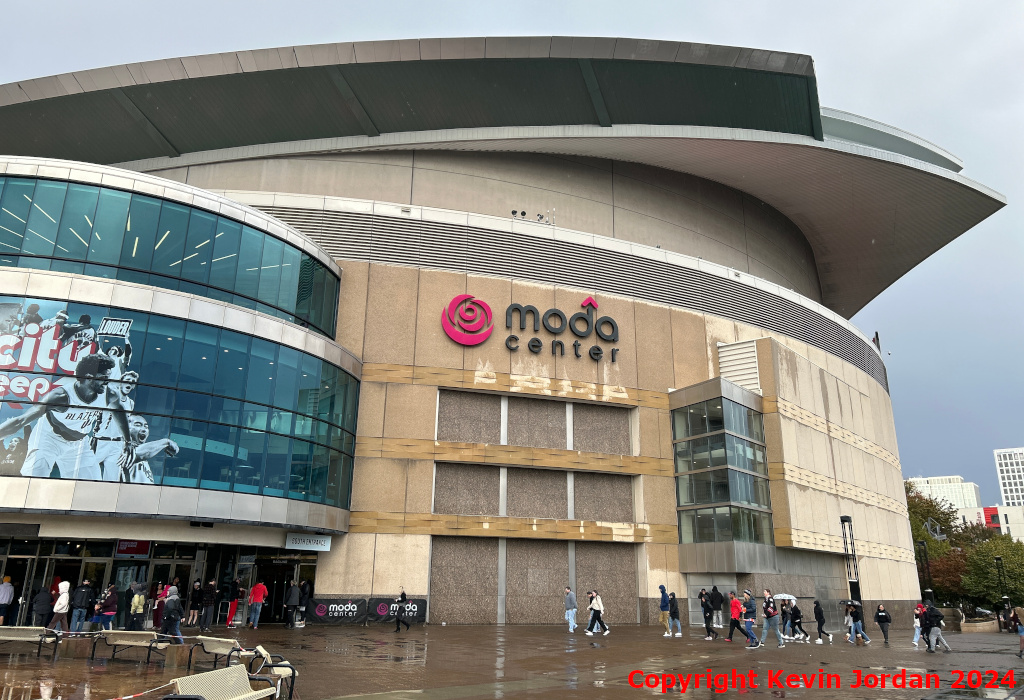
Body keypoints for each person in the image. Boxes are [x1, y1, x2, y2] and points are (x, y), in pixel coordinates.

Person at [0, 353, 133, 480]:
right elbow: (21, 421)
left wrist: (127, 441)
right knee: (33, 481)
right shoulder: (61, 397)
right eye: (104, 378)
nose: (107, 383)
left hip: (79, 445)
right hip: (48, 439)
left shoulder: (109, 395)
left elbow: (119, 411)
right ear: (88, 377)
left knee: (92, 488)